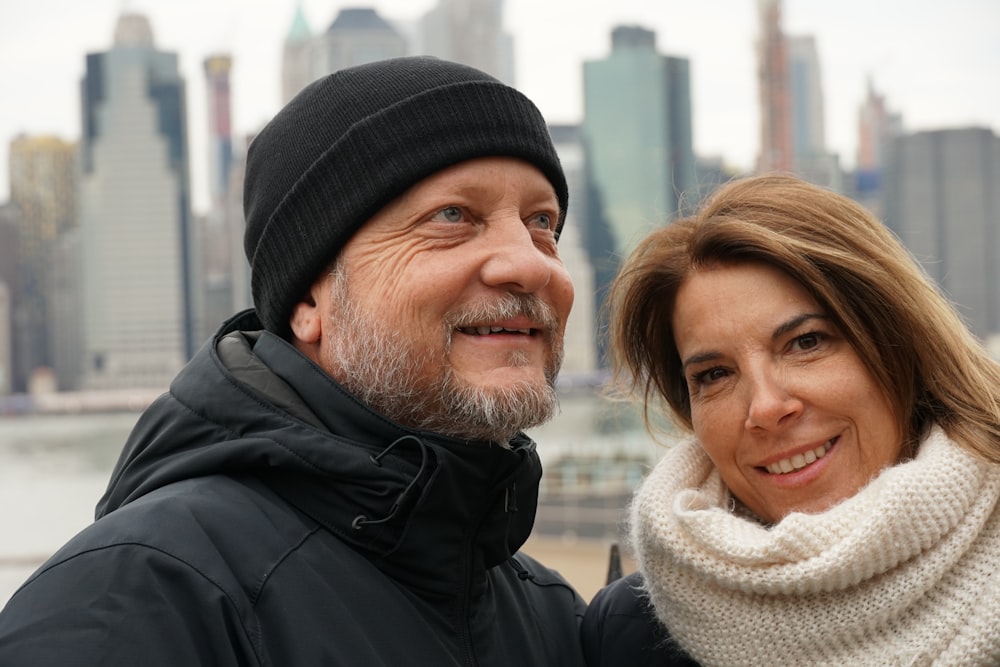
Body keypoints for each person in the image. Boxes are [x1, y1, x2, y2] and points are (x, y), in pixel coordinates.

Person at [0, 56, 587, 666]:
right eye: (451, 217)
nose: (530, 263)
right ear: (310, 299)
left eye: (541, 222)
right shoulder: (135, 599)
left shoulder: (551, 617)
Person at [581, 174, 1000, 666]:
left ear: (901, 343)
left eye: (806, 342)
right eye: (715, 374)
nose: (765, 408)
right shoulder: (628, 636)